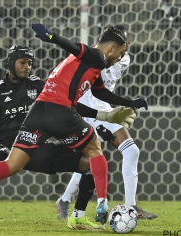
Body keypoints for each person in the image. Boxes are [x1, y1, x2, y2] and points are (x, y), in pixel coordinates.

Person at [0, 44, 134, 229]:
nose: (27, 67)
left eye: (29, 63)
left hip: (38, 145)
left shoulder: (39, 85)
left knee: (88, 162)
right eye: (22, 62)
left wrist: (101, 120)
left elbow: (69, 107)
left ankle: (77, 217)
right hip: (7, 148)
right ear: (11, 62)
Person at [0, 23, 148, 226]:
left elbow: (99, 91)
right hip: (61, 111)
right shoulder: (97, 56)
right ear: (111, 48)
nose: (120, 58)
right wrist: (52, 36)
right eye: (121, 52)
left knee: (12, 164)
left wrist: (129, 102)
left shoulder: (91, 65)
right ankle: (102, 203)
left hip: (37, 111)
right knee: (94, 149)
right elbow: (74, 46)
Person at [56, 25, 158, 222]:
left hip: (103, 105)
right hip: (85, 106)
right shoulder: (91, 57)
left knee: (125, 152)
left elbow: (103, 88)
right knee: (95, 156)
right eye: (123, 41)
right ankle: (66, 200)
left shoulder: (124, 58)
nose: (126, 45)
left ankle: (130, 206)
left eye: (127, 41)